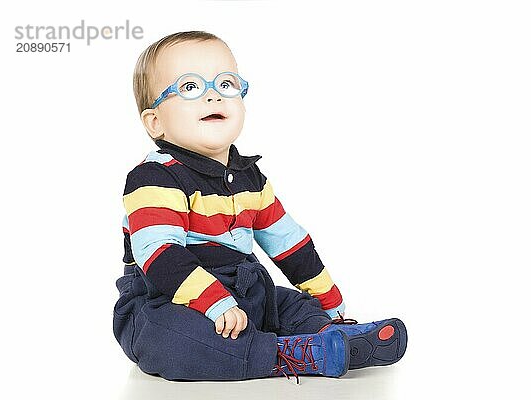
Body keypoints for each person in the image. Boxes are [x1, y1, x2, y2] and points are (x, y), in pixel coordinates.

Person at [113, 30, 407, 384]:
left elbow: (290, 243)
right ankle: (288, 354)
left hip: (243, 290)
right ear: (155, 122)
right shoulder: (154, 177)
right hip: (167, 299)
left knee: (290, 305)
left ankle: (331, 336)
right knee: (175, 341)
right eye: (190, 87)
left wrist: (328, 300)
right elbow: (159, 254)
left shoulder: (249, 177)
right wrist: (215, 302)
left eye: (225, 84)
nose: (212, 96)